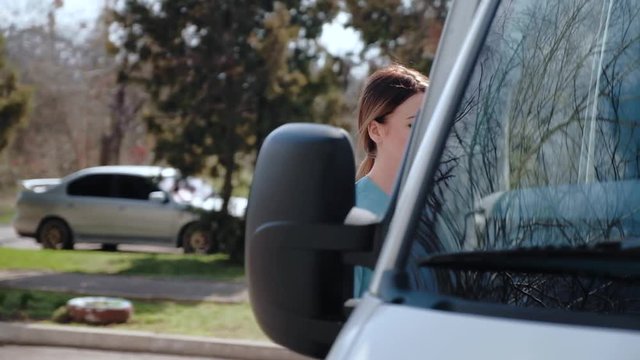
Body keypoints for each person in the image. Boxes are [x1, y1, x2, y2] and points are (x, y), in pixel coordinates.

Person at [354, 64, 429, 297]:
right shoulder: (352, 214)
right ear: (376, 131)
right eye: (413, 124)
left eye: (432, 122)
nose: (427, 134)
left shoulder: (443, 207)